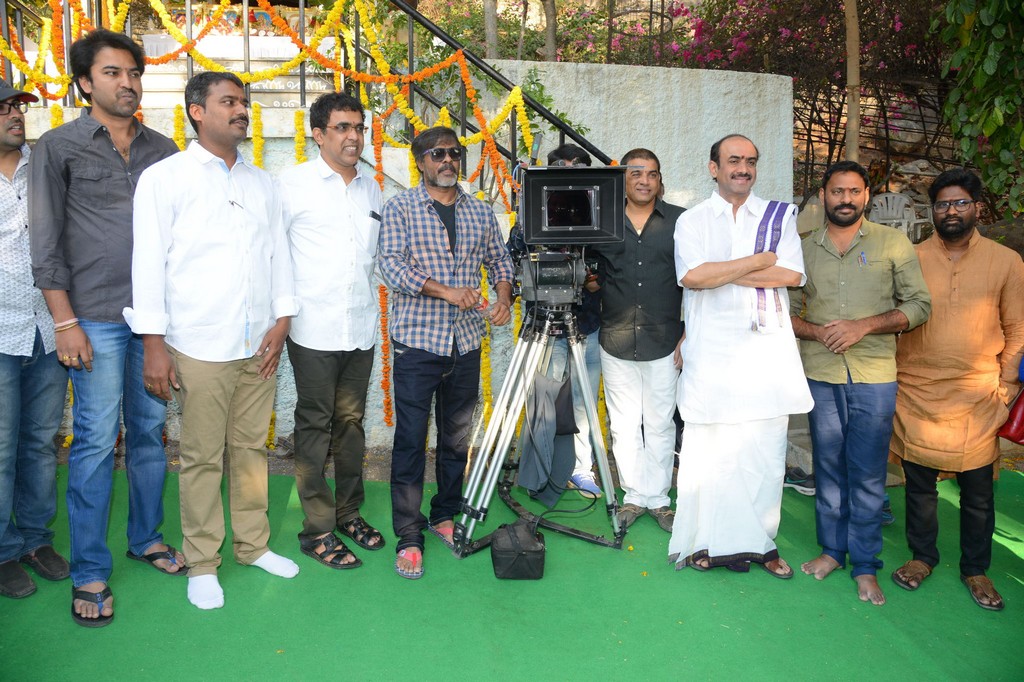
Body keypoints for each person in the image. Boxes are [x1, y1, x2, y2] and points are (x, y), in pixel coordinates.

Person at [125, 72, 299, 610]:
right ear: (196, 111)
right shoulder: (165, 178)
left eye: (243, 101)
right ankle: (202, 562)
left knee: (250, 450)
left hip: (259, 344)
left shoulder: (262, 183)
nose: (241, 110)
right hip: (198, 343)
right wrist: (153, 343)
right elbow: (148, 263)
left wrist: (282, 320)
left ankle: (253, 545)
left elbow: (278, 256)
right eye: (229, 101)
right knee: (202, 457)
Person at [28, 29, 183, 627]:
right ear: (85, 82)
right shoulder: (58, 147)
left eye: (134, 73)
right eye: (113, 73)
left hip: (153, 320)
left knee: (148, 433)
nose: (127, 83)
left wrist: (170, 322)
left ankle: (146, 538)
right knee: (94, 441)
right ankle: (89, 569)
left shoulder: (164, 149)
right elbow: (46, 241)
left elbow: (180, 240)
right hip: (92, 317)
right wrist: (64, 320)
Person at [670, 134, 811, 577]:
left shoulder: (779, 215)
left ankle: (759, 544)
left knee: (764, 452)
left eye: (750, 161)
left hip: (765, 355)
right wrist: (757, 261)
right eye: (734, 160)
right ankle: (707, 541)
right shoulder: (692, 220)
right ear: (714, 168)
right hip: (711, 353)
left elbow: (791, 274)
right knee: (710, 453)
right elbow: (693, 277)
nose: (743, 169)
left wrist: (723, 270)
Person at [791, 160, 931, 605]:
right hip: (821, 373)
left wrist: (863, 326)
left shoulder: (892, 243)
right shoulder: (802, 248)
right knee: (828, 467)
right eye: (837, 191)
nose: (846, 199)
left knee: (868, 473)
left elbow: (919, 305)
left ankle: (866, 565)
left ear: (866, 195)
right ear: (823, 196)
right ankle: (833, 551)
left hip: (874, 375)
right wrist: (818, 332)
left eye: (854, 191)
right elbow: (785, 312)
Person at [378, 125, 514, 579]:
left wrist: (503, 296)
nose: (448, 160)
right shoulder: (400, 208)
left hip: (467, 342)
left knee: (456, 440)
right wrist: (447, 291)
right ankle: (408, 535)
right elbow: (391, 267)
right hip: (418, 343)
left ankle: (443, 515)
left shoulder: (480, 211)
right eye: (437, 154)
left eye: (455, 153)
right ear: (420, 161)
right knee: (411, 440)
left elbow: (500, 260)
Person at [889, 169, 1024, 611]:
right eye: (943, 203)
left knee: (979, 493)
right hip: (917, 391)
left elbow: (1017, 328)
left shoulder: (1006, 261)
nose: (951, 210)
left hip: (979, 394)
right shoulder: (909, 257)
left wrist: (1006, 386)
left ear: (977, 208)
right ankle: (922, 557)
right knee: (920, 487)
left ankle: (976, 568)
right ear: (932, 210)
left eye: (960, 202)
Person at [278, 92, 385, 569]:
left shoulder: (371, 189)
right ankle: (317, 529)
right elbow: (274, 254)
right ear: (318, 134)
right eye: (342, 127)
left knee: (351, 425)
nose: (353, 136)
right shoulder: (291, 184)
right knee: (314, 427)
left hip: (359, 327)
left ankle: (348, 514)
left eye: (359, 127)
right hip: (313, 328)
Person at [0, 79, 70, 600]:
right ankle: (3, 550)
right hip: (1, 332)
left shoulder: (44, 165)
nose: (15, 115)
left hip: (48, 328)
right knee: (1, 448)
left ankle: (34, 539)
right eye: (3, 109)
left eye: (18, 107)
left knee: (41, 443)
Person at [592, 148, 683, 532]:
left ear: (660, 181)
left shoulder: (681, 222)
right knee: (624, 425)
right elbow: (592, 274)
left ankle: (659, 500)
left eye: (652, 174)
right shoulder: (602, 221)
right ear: (622, 180)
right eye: (636, 173)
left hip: (665, 341)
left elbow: (695, 283)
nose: (645, 180)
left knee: (660, 423)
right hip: (615, 339)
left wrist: (687, 334)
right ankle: (633, 496)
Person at [508, 143, 604, 497]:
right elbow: (514, 260)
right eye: (562, 168)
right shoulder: (531, 218)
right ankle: (541, 470)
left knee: (582, 401)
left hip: (586, 324)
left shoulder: (598, 217)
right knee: (545, 402)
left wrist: (593, 277)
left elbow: (608, 267)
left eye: (577, 168)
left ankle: (581, 468)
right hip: (545, 326)